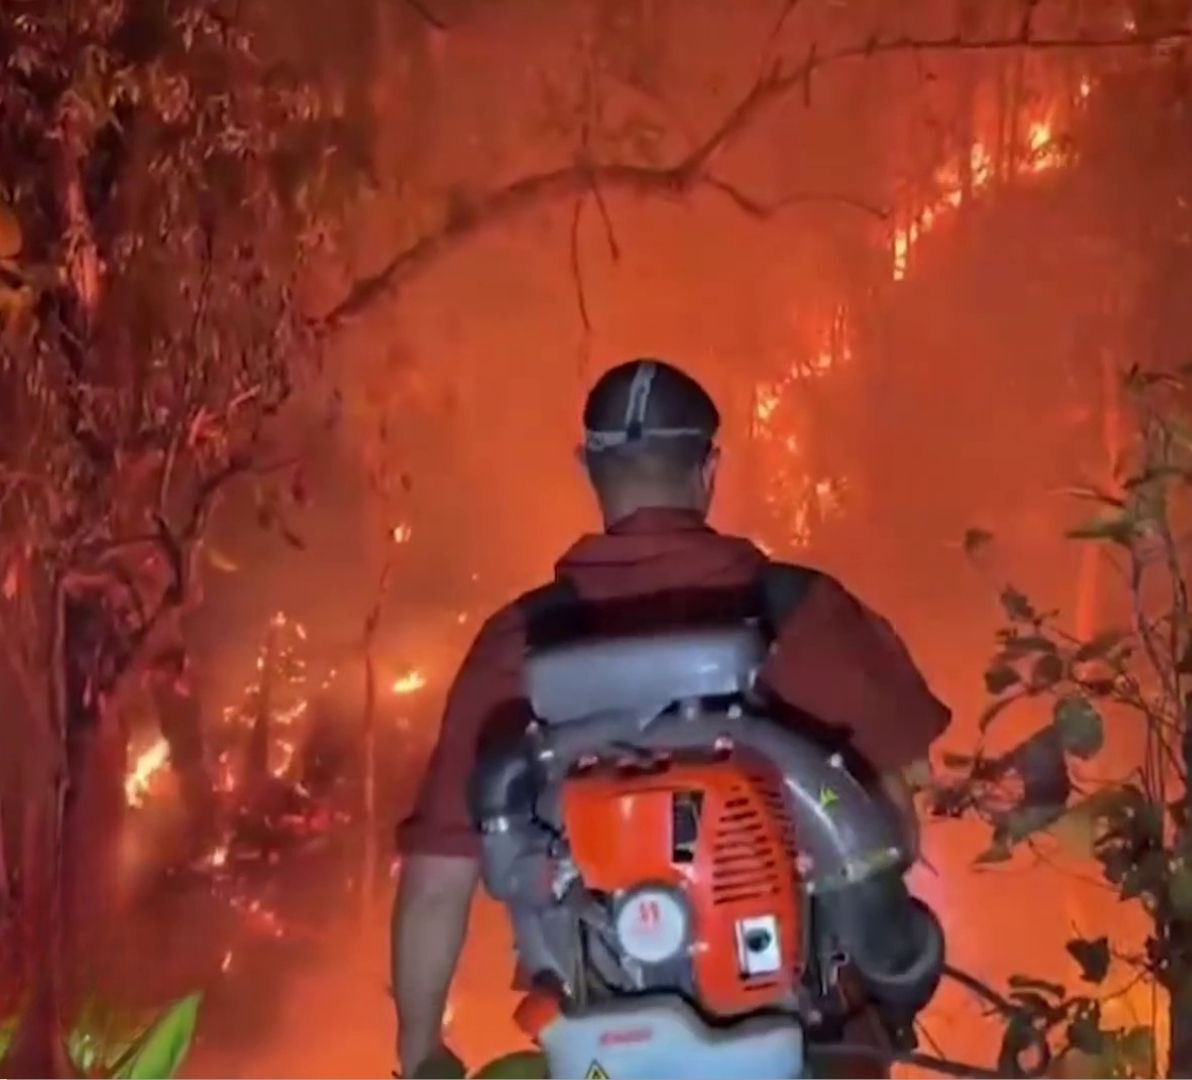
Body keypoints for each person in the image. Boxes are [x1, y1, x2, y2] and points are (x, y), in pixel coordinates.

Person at [390, 357, 952, 1077]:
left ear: (588, 468)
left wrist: (420, 1053)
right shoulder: (808, 613)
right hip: (813, 1044)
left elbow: (437, 878)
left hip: (596, 1046)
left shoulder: (512, 648)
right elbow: (895, 830)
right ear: (708, 469)